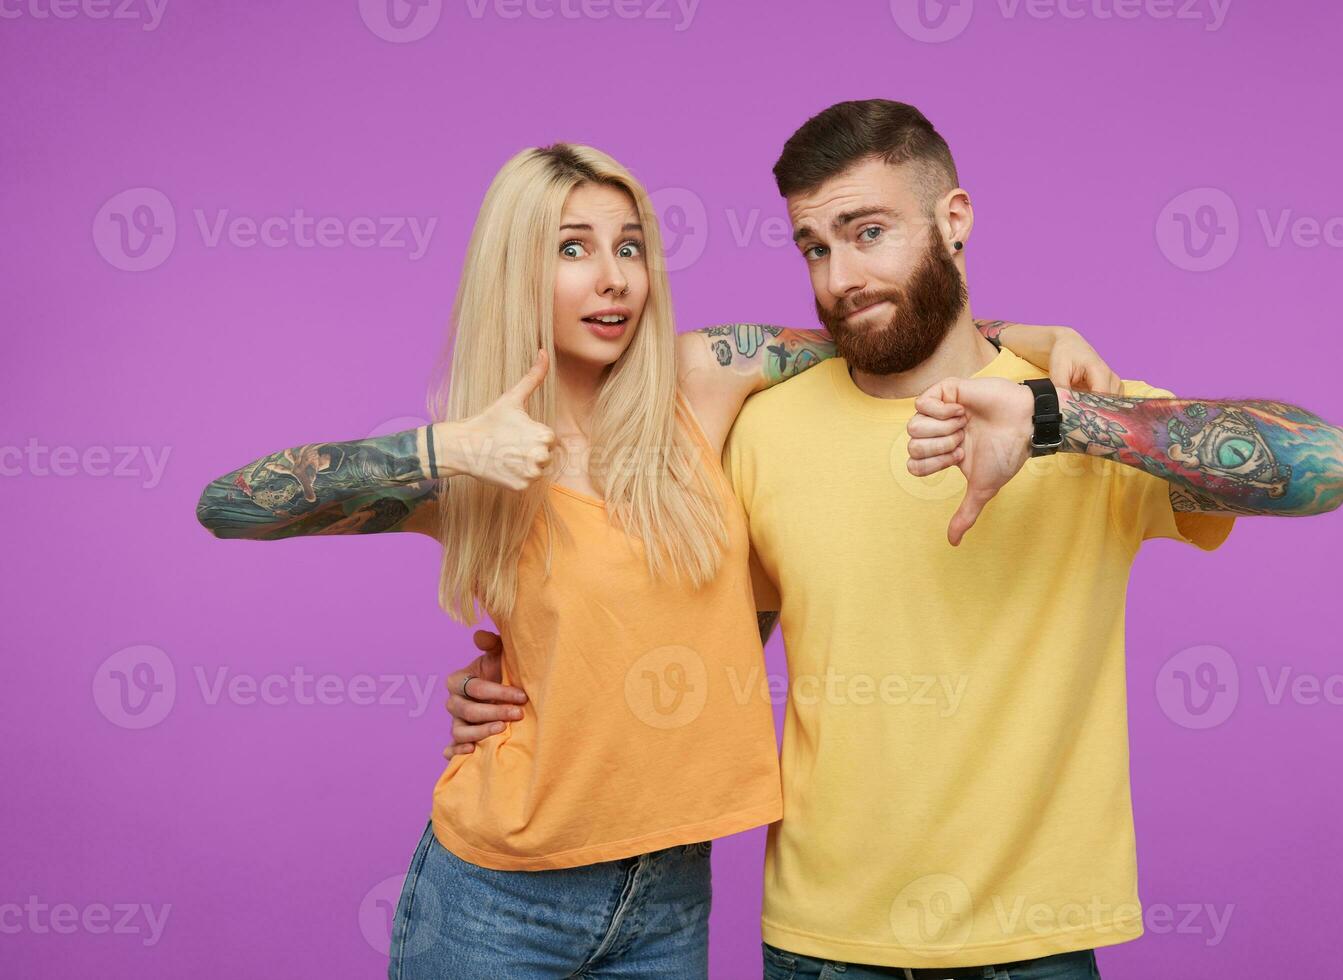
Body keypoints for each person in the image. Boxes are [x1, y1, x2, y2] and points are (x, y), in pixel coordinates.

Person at [445, 101, 1343, 980]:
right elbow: (695, 643)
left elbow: (1326, 463)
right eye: (815, 245)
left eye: (868, 231)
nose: (840, 276)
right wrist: (535, 693)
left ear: (952, 219)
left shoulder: (1083, 409)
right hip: (821, 945)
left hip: (1033, 945)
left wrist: (1054, 418)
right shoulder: (765, 430)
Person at [194, 141, 1116, 979]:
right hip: (500, 898)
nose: (613, 280)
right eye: (572, 249)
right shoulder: (472, 466)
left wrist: (1031, 341)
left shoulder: (704, 378)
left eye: (629, 248)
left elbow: (879, 329)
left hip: (671, 900)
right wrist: (445, 451)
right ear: (514, 270)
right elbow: (230, 505)